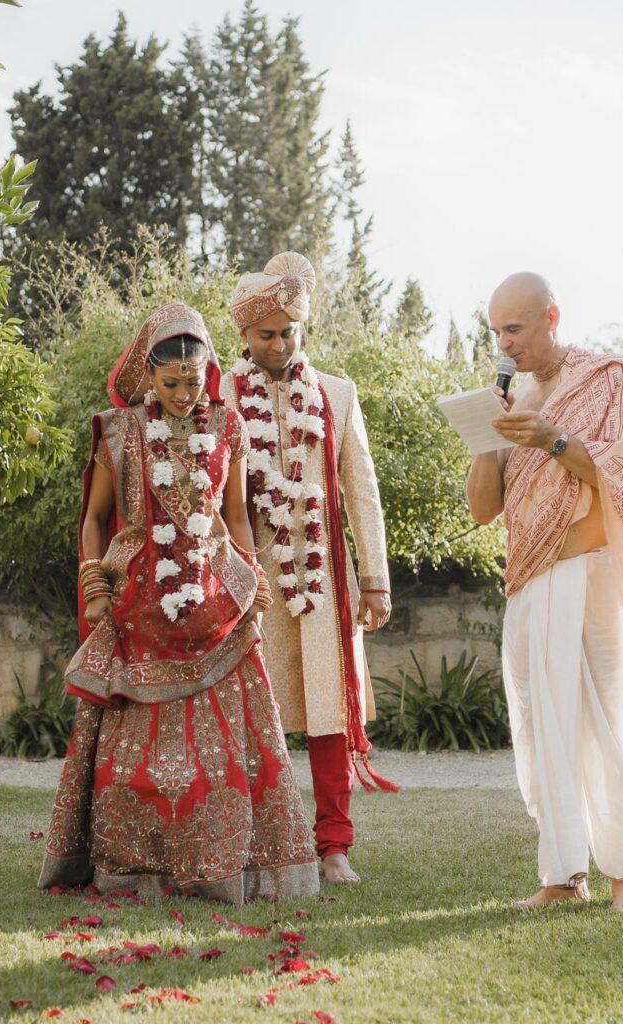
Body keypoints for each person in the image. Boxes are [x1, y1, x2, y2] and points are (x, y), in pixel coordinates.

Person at [38, 301, 319, 903]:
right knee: (131, 748)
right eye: (171, 382)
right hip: (138, 595)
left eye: (195, 380)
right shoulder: (121, 431)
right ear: (147, 375)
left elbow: (236, 516)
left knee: (229, 746)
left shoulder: (230, 427)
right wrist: (94, 584)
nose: (186, 393)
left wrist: (251, 580)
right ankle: (136, 864)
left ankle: (221, 860)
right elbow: (92, 518)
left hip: (215, 593)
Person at [467, 272, 623, 911]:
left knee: (614, 722)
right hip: (531, 584)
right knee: (544, 729)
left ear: (551, 316)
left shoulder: (610, 380)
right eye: (496, 330)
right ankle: (563, 876)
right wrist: (483, 438)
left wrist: (552, 438)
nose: (505, 342)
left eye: (515, 328)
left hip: (594, 575)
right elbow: (481, 511)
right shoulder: (513, 396)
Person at [221, 251, 396, 886]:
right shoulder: (219, 396)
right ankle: (250, 844)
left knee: (328, 712)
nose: (277, 343)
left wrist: (374, 577)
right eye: (264, 334)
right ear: (244, 334)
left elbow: (363, 490)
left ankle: (334, 847)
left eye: (287, 332)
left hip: (321, 580)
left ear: (303, 329)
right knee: (248, 715)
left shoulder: (339, 395)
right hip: (247, 583)